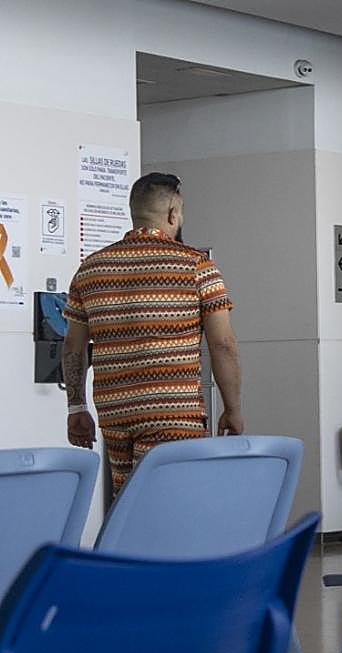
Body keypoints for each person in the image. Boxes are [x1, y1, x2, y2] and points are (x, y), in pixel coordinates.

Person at [63, 172, 242, 495]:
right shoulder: (196, 267)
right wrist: (233, 408)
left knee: (127, 500)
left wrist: (76, 407)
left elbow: (73, 347)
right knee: (172, 501)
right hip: (174, 412)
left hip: (115, 412)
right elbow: (223, 345)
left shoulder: (90, 268)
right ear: (173, 213)